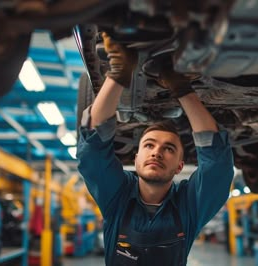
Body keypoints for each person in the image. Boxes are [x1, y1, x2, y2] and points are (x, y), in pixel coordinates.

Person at [76, 32, 234, 265]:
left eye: (169, 148)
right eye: (149, 145)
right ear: (136, 157)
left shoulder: (188, 205)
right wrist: (120, 73)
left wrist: (181, 89)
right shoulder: (118, 197)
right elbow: (92, 152)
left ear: (180, 165)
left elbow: (218, 167)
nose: (157, 152)